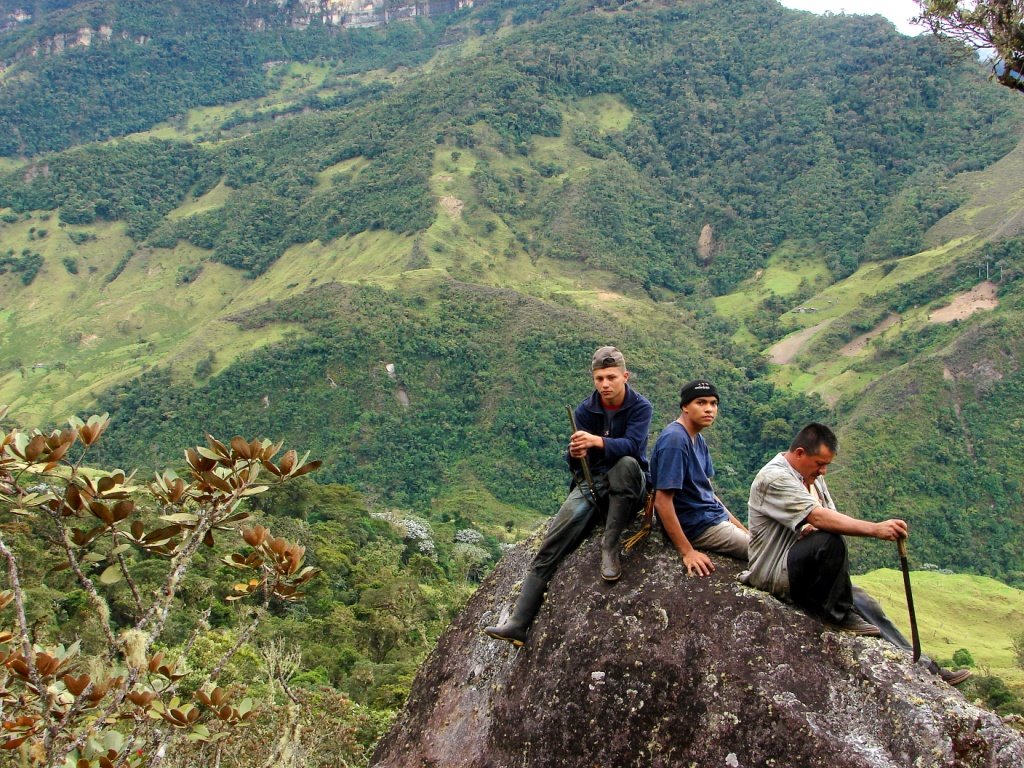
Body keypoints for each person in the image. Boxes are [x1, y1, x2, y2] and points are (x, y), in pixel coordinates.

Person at [740, 423, 970, 685]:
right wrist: (875, 529)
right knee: (829, 540)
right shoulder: (774, 477)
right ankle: (836, 615)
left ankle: (925, 668)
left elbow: (825, 515)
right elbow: (819, 517)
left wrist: (811, 527)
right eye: (819, 463)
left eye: (826, 464)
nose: (823, 470)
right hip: (775, 571)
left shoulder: (813, 478)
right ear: (800, 453)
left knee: (868, 604)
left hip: (802, 568)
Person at [484, 346, 652, 646]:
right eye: (599, 378)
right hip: (594, 482)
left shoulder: (640, 407)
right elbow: (577, 464)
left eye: (611, 377)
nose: (605, 384)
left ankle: (610, 545)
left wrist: (598, 441)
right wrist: (575, 453)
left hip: (630, 484)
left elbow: (634, 448)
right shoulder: (585, 411)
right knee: (553, 541)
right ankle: (518, 623)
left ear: (625, 376)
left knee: (626, 464)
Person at [650, 379, 749, 577]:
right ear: (685, 406)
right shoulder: (675, 441)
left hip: (711, 518)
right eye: (701, 403)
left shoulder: (698, 438)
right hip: (698, 526)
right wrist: (687, 551)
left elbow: (710, 495)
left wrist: (744, 530)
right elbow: (662, 502)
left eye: (713, 403)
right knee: (769, 552)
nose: (709, 409)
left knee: (759, 542)